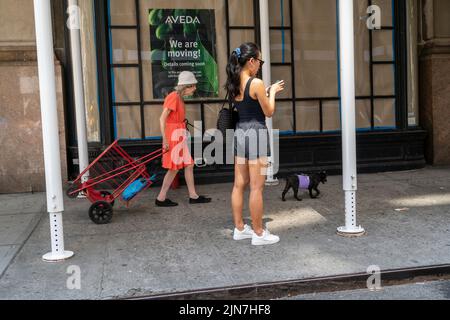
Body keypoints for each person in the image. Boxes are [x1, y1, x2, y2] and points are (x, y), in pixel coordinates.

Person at [225, 42, 285, 246]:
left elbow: (247, 103)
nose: (260, 64)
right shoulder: (257, 83)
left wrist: (265, 92)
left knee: (239, 185)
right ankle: (259, 233)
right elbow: (268, 112)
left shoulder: (233, 83)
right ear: (251, 61)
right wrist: (273, 92)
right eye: (259, 60)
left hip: (240, 132)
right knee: (257, 188)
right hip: (256, 133)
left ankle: (240, 228)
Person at [155, 71, 211, 207]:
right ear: (186, 86)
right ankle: (161, 198)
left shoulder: (178, 98)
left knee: (188, 164)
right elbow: (162, 118)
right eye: (193, 86)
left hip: (178, 133)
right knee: (174, 168)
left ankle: (192, 196)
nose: (195, 89)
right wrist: (165, 140)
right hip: (173, 135)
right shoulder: (173, 97)